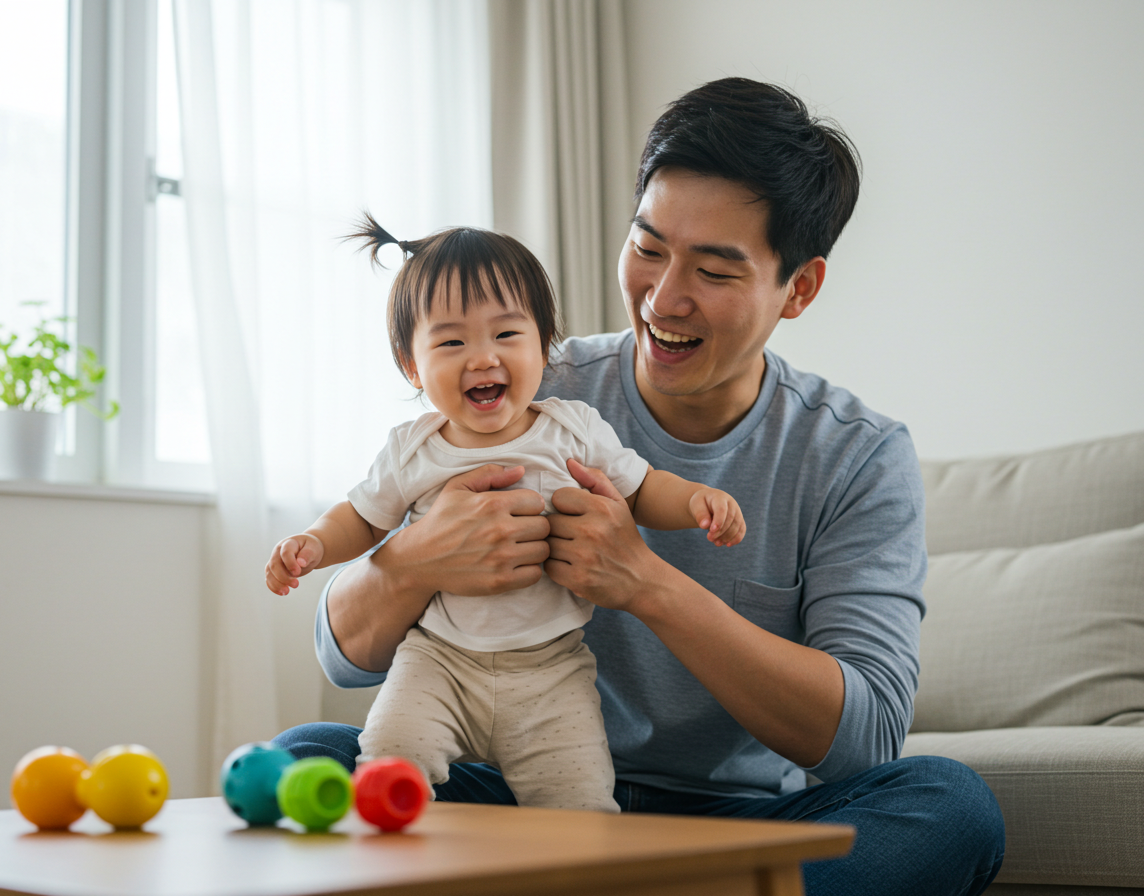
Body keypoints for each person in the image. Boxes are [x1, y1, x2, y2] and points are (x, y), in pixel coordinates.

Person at [274, 78, 1005, 896]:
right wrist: (411, 562)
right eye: (649, 247)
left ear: (797, 288)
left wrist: (648, 583)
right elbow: (340, 657)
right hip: (520, 790)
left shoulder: (855, 456)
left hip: (738, 818)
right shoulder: (522, 384)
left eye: (715, 270)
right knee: (304, 760)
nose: (663, 297)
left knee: (951, 806)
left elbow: (864, 738)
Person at [266, 214, 745, 812]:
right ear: (411, 364)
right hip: (438, 661)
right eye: (451, 342)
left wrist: (696, 500)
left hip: (551, 671)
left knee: (579, 808)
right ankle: (392, 859)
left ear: (544, 345)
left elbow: (643, 489)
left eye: (505, 335)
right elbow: (361, 520)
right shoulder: (413, 448)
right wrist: (312, 544)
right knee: (387, 758)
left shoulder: (571, 430)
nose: (481, 358)